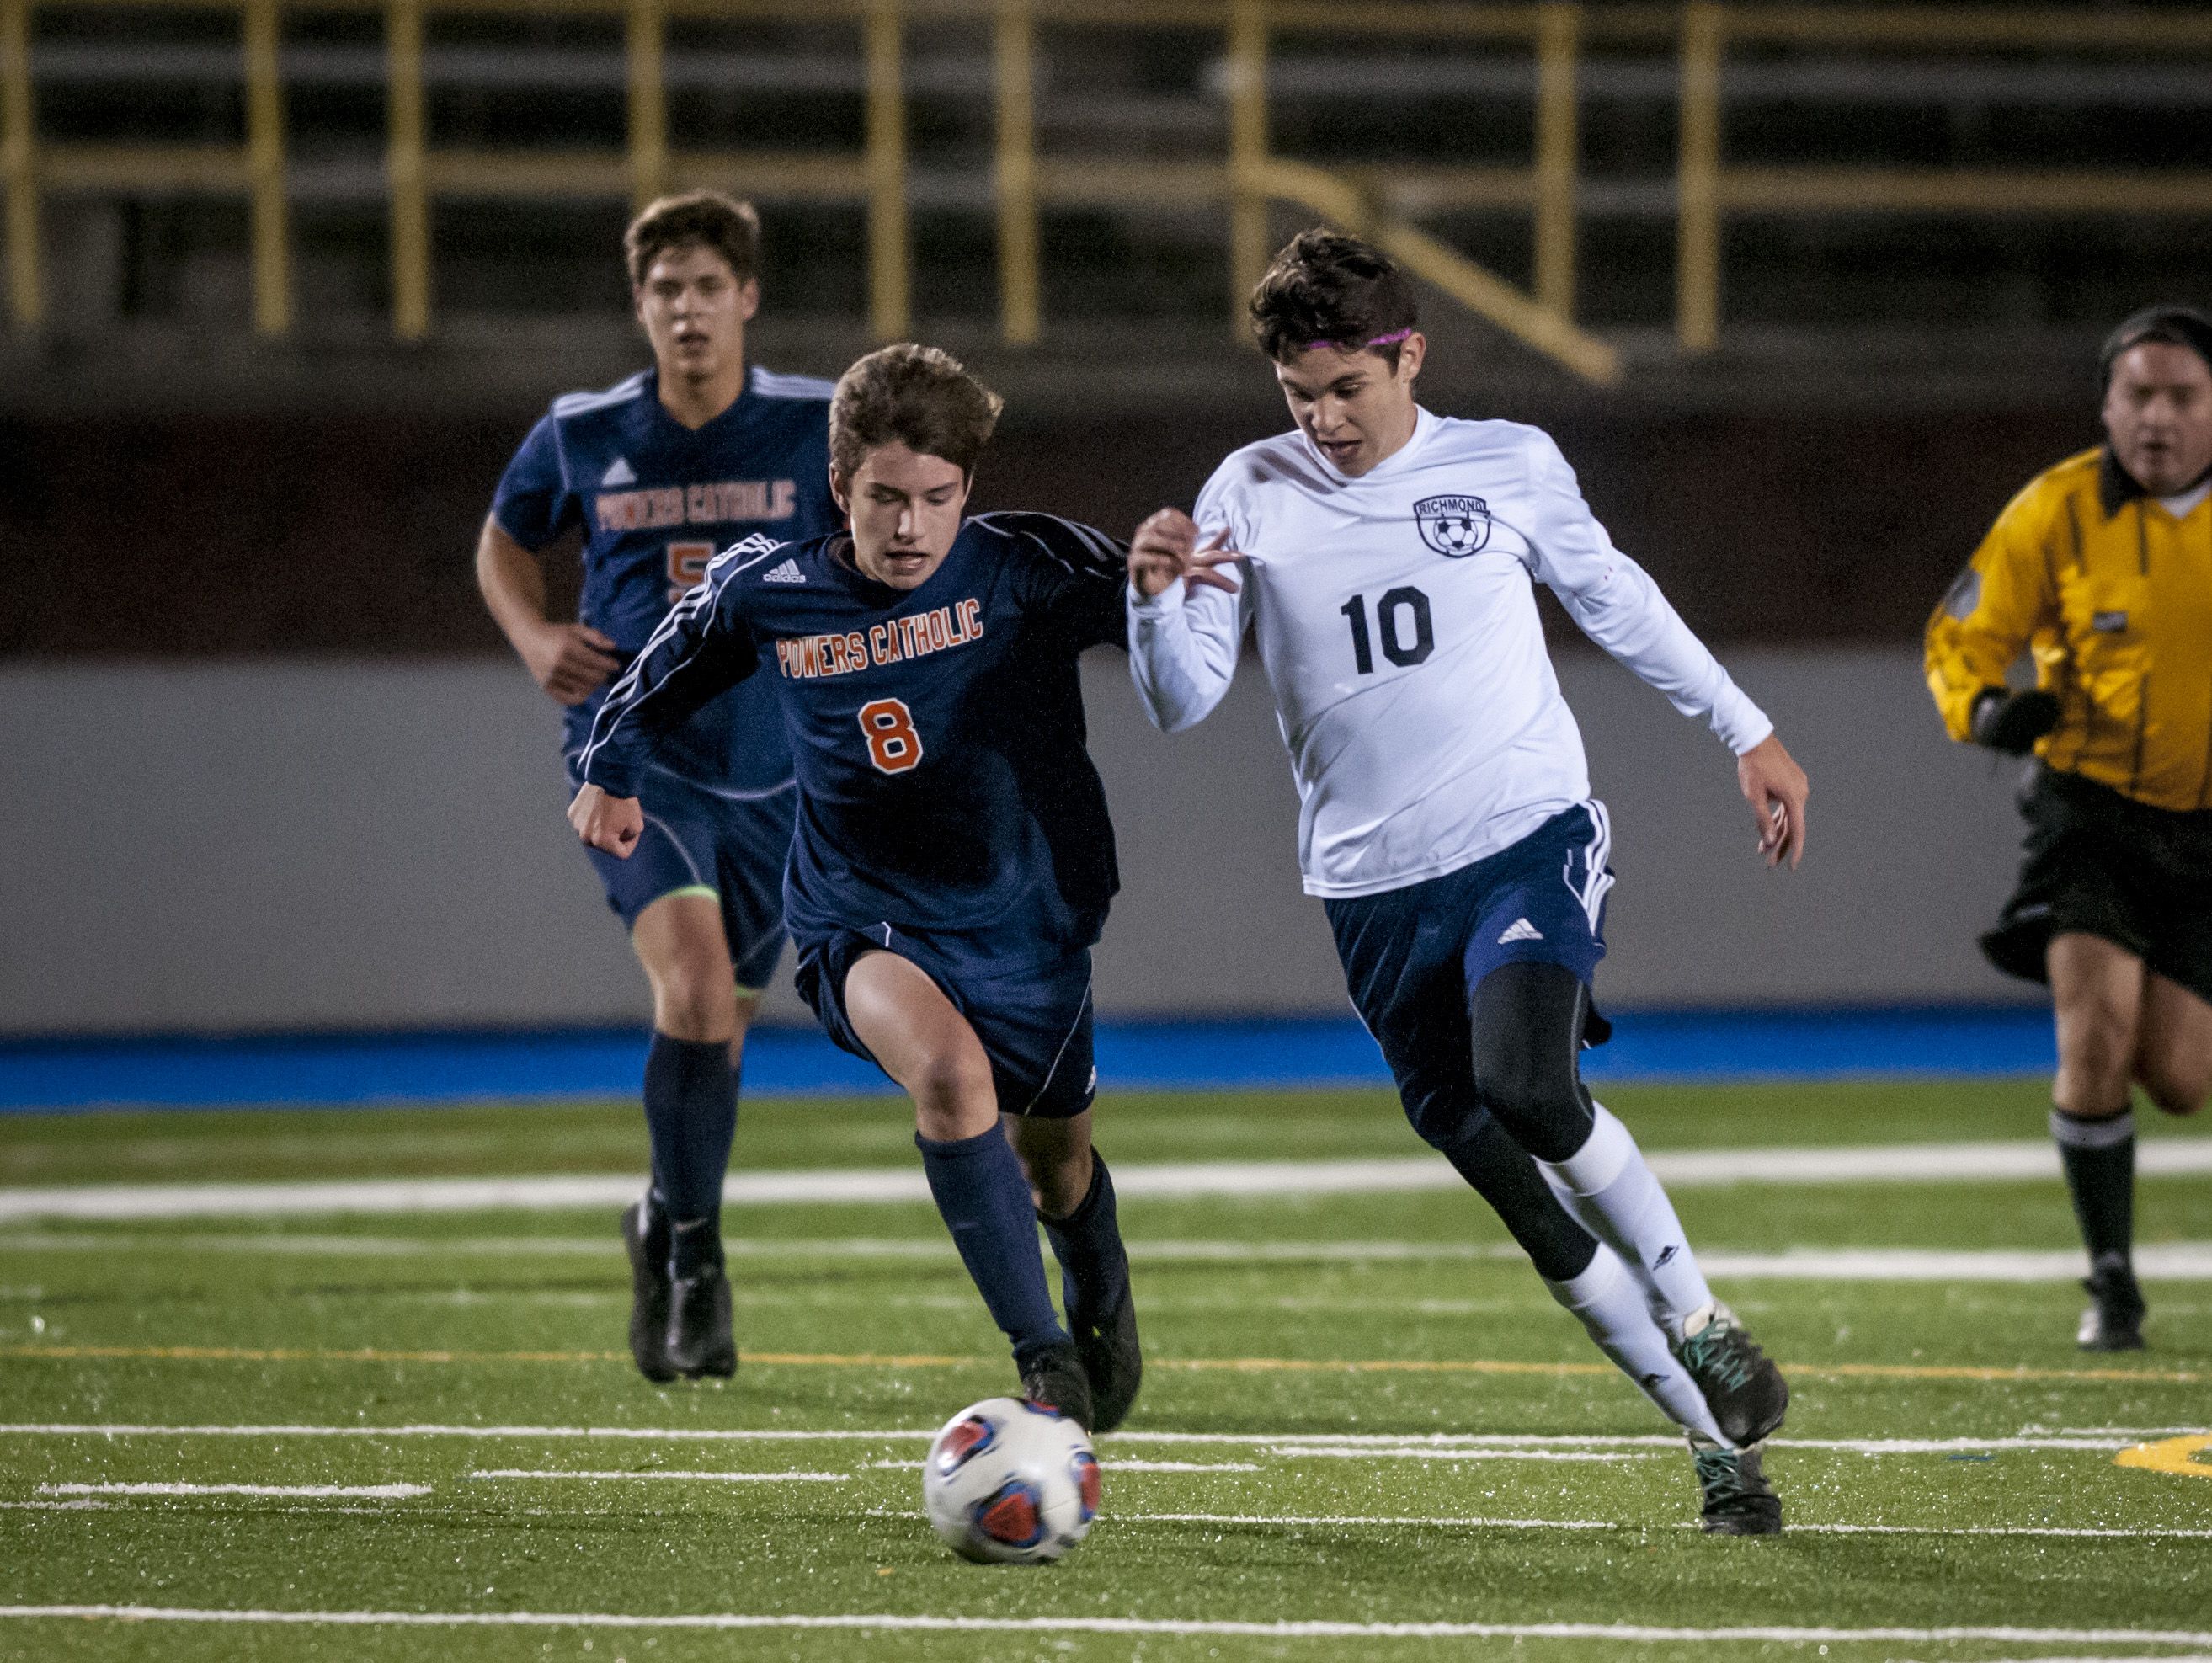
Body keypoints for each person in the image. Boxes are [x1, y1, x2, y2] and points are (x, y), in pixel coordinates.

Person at [1124, 230, 1809, 1533]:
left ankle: (1700, 1313)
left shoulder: (1505, 462)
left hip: (1521, 831)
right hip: (1371, 891)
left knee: (1527, 1080)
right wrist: (1155, 601)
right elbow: (1182, 701)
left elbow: (1613, 597)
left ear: (1409, 356)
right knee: (1527, 1208)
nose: (1322, 419)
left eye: (1346, 389)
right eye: (1297, 394)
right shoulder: (1246, 489)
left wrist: (1744, 728)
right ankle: (1717, 1447)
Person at [568, 344, 1142, 1431]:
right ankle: (1042, 1358)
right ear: (839, 487)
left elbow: (1170, 625)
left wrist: (1171, 582)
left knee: (1054, 1164)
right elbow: (665, 662)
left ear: (967, 489)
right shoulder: (771, 590)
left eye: (935, 498)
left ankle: (1098, 1278)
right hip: (859, 914)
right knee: (948, 1075)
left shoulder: (1027, 565)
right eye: (884, 496)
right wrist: (608, 768)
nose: (910, 525)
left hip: (1028, 918)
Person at [477, 191, 840, 1383]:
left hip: (779, 773)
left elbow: (890, 538)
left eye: (706, 285)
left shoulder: (814, 423)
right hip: (634, 758)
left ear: (746, 296)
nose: (686, 308)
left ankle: (658, 1213)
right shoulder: (583, 431)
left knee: (720, 1022)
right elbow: (503, 536)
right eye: (664, 289)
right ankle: (693, 1259)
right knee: (690, 986)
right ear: (640, 306)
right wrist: (536, 640)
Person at [1925, 305, 2212, 1351]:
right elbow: (1960, 636)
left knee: (2179, 1080)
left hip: (2205, 833)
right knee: (2090, 1033)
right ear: (2106, 405)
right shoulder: (2053, 510)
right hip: (2086, 812)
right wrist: (1990, 711)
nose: (2157, 417)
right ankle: (2111, 1281)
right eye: (2137, 394)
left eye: (2181, 395)